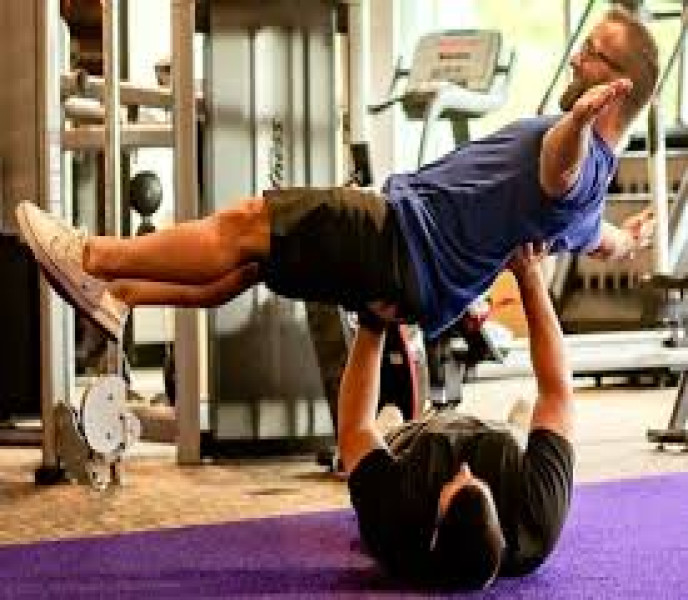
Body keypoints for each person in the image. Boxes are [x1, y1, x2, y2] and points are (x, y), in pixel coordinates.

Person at [15, 6, 658, 343]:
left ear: (619, 84)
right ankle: (123, 295)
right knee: (252, 263)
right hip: (411, 259)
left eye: (592, 52)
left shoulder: (578, 158)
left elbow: (557, 169)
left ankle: (92, 258)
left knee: (246, 224)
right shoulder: (590, 196)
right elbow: (598, 237)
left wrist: (578, 120)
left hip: (402, 236)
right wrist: (628, 240)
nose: (576, 56)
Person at [338, 242, 574, 590]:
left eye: (455, 486)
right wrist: (530, 276)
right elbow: (556, 393)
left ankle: (397, 421)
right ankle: (510, 433)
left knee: (386, 418)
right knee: (527, 411)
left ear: (433, 531)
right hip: (502, 441)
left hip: (419, 442)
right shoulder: (535, 523)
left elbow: (354, 428)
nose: (464, 469)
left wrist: (373, 321)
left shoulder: (394, 531)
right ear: (503, 535)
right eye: (477, 483)